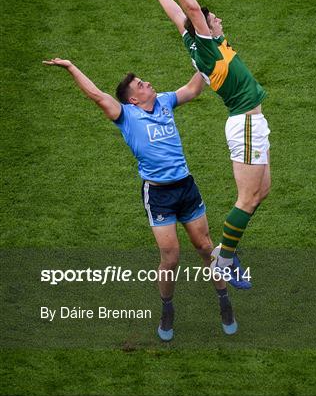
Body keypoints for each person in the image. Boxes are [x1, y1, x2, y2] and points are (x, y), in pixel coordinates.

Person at [42, 58, 238, 340]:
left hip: (186, 187)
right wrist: (72, 67)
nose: (147, 83)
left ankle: (224, 301)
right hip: (159, 195)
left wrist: (207, 55)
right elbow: (96, 95)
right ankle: (167, 309)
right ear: (133, 99)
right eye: (140, 84)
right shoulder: (126, 115)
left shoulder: (166, 101)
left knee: (206, 247)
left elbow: (194, 88)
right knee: (170, 258)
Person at [128, 0, 271, 282]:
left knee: (262, 191)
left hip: (253, 125)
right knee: (247, 198)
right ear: (204, 27)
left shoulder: (195, 41)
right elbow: (191, 11)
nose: (218, 19)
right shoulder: (207, 48)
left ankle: (226, 253)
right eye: (212, 18)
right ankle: (224, 259)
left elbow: (178, 15)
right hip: (245, 124)